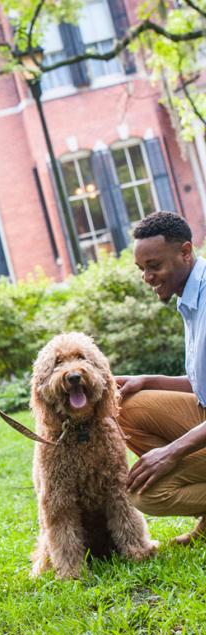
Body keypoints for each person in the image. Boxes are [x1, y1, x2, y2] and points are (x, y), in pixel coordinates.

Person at [116, 211, 206, 544]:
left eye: (154, 266)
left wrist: (171, 453)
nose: (147, 277)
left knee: (146, 494)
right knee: (125, 406)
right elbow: (203, 385)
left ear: (185, 252)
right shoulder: (192, 296)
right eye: (142, 269)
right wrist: (146, 379)